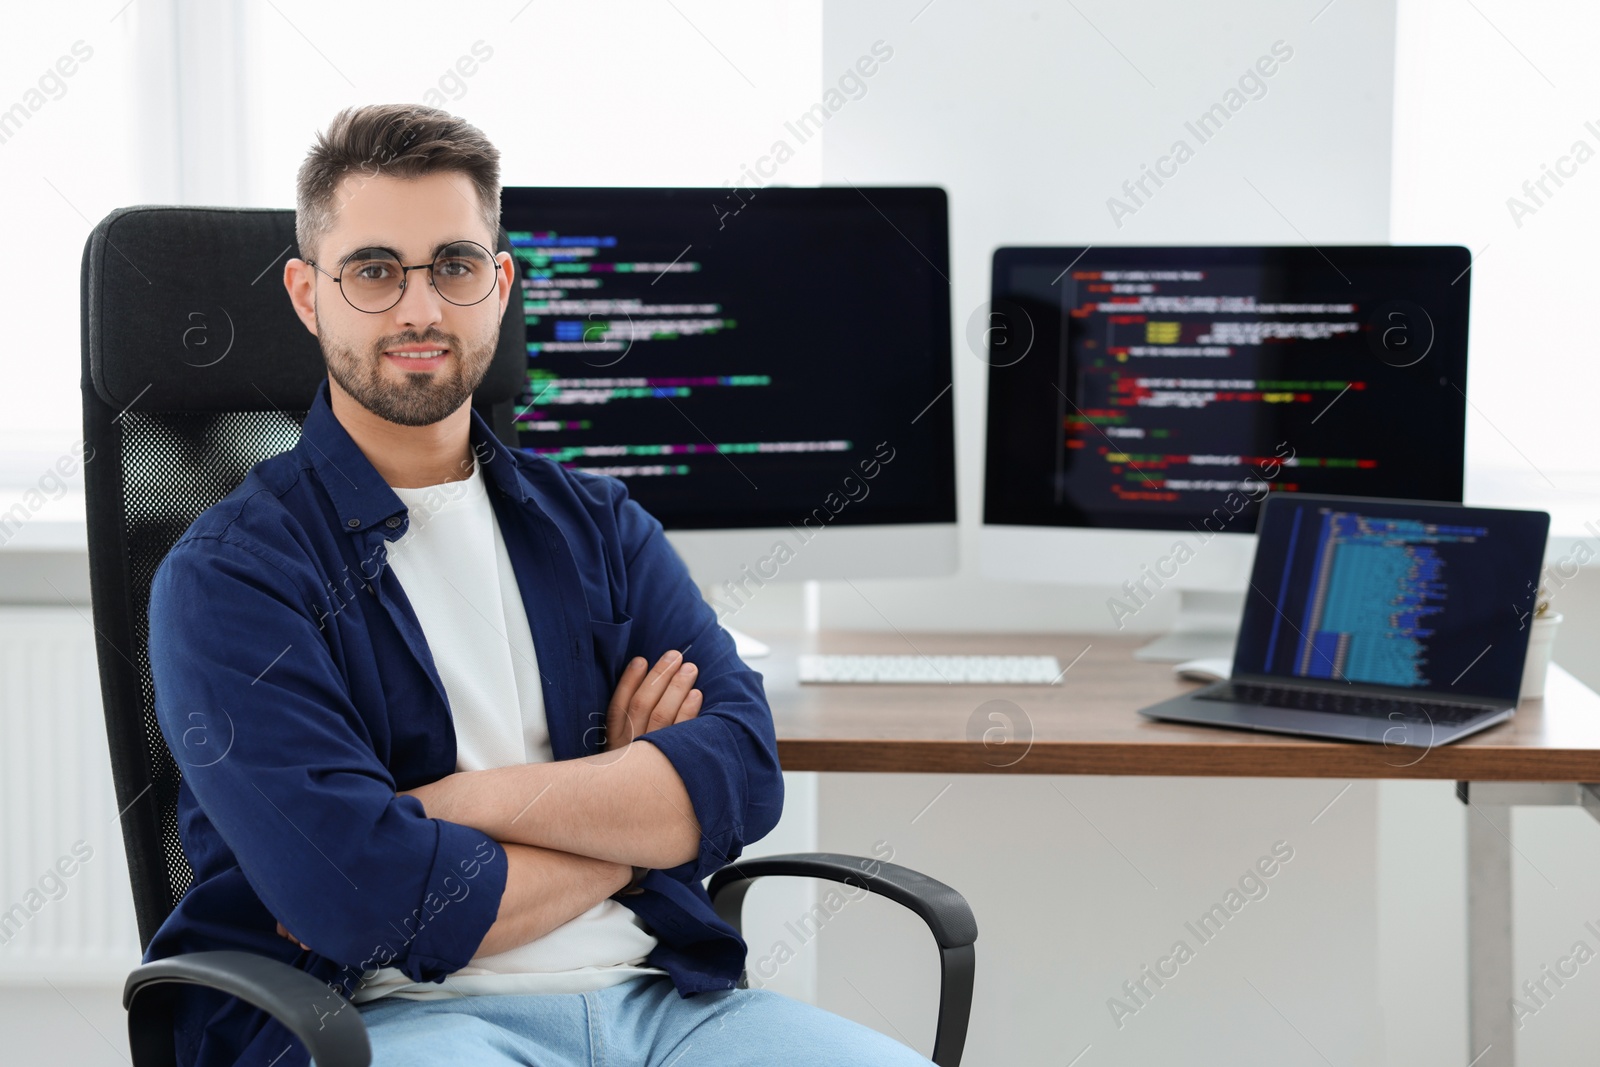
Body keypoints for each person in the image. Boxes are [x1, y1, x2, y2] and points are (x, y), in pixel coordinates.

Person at [142, 103, 936, 1067]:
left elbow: (740, 771)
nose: (421, 309)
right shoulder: (230, 578)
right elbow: (359, 898)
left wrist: (446, 805)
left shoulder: (599, 523)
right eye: (375, 270)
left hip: (666, 1005)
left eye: (455, 265)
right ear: (310, 295)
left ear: (501, 281)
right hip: (393, 1019)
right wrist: (633, 823)